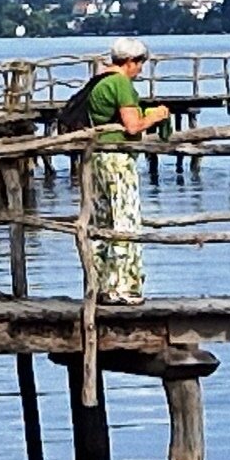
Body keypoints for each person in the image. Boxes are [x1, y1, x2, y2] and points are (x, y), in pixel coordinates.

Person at [74, 37, 167, 300]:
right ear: (130, 61)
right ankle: (125, 287)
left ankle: (103, 285)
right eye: (140, 64)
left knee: (104, 221)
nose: (140, 70)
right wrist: (157, 115)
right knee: (125, 219)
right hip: (117, 159)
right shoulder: (120, 83)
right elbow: (132, 126)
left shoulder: (100, 81)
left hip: (99, 157)